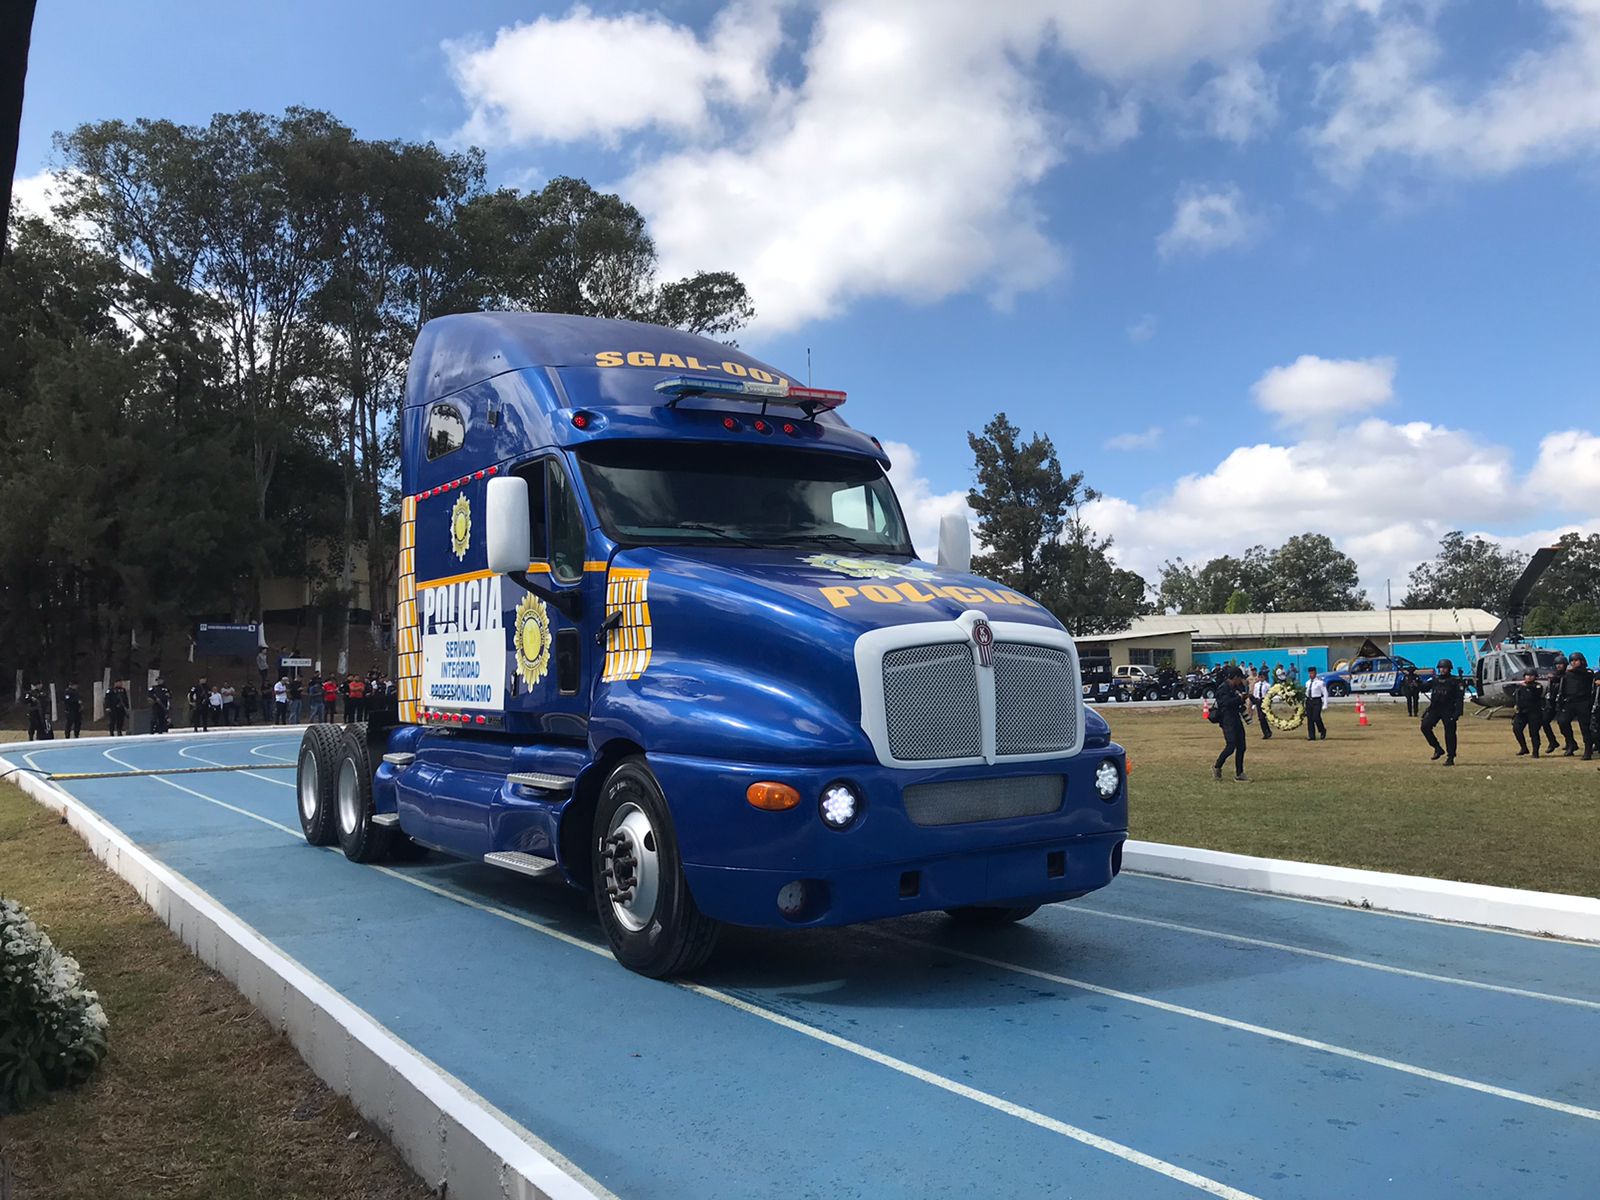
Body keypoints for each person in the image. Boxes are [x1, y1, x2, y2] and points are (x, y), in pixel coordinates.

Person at [1422, 659, 1466, 765]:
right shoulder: (1434, 680)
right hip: (1435, 709)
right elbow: (1423, 688)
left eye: (1444, 668)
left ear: (1449, 669)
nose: (1442, 670)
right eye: (1441, 668)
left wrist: (1457, 713)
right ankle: (1437, 748)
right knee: (1425, 727)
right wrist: (1415, 683)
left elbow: (1460, 698)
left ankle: (1450, 757)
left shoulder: (1455, 681)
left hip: (1449, 710)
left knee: (1450, 734)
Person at [1210, 668, 1250, 782]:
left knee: (1242, 747)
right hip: (1227, 720)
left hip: (1236, 718)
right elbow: (1225, 703)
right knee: (1231, 746)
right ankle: (1217, 766)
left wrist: (1243, 699)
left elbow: (1236, 702)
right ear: (1235, 677)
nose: (1241, 681)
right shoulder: (1223, 688)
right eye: (1240, 678)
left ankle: (1239, 773)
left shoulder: (1235, 688)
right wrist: (1239, 698)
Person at [1557, 651, 1595, 758]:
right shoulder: (1567, 674)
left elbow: (1587, 674)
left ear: (1581, 661)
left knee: (1585, 727)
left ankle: (1588, 749)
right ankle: (1571, 743)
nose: (1573, 663)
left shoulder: (1588, 673)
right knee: (1562, 722)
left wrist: (1575, 670)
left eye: (1576, 660)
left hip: (1583, 702)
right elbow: (1557, 675)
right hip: (1569, 702)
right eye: (1572, 661)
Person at [1512, 669, 1544, 758]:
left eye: (1531, 675)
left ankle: (1535, 751)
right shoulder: (1520, 687)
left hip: (1534, 712)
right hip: (1522, 712)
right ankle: (1524, 747)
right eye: (1527, 675)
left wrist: (1527, 687)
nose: (1529, 677)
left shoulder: (1538, 686)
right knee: (1516, 729)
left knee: (1533, 732)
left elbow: (1535, 694)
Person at [1542, 657, 1566, 754]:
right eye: (1557, 664)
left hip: (1563, 703)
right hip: (1552, 702)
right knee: (1544, 721)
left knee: (1563, 723)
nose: (1558, 666)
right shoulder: (1552, 676)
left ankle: (1570, 742)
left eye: (1561, 664)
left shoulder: (1568, 675)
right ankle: (1552, 741)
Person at [1304, 667, 1329, 741]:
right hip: (1309, 701)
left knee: (1316, 717)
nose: (1311, 674)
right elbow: (1306, 693)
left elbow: (1325, 693)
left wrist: (1325, 704)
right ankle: (1311, 736)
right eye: (1310, 673)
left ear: (1315, 673)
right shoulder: (1307, 683)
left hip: (1317, 701)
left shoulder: (1320, 682)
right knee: (1310, 719)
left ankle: (1322, 730)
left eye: (1312, 673)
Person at [1249, 670, 1273, 740]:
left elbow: (1269, 694)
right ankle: (1266, 732)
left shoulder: (1267, 685)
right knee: (1260, 718)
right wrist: (1254, 703)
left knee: (1263, 717)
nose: (1261, 678)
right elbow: (1255, 693)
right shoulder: (1256, 685)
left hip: (1264, 701)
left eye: (1262, 677)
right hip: (1258, 700)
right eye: (1260, 677)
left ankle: (1267, 731)